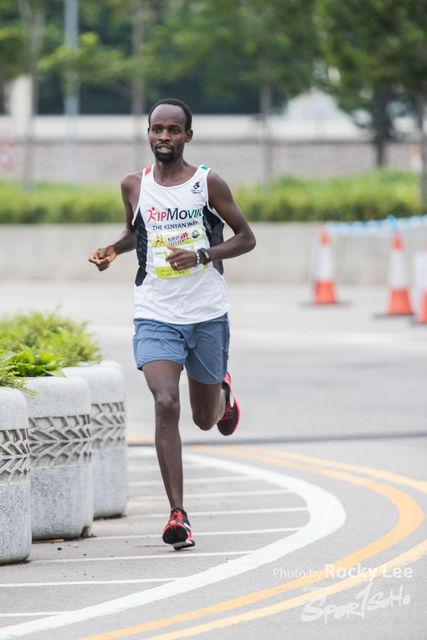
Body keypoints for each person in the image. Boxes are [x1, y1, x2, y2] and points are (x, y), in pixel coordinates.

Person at [89, 98, 256, 550]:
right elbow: (135, 232)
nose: (164, 136)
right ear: (148, 133)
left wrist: (202, 254)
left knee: (203, 420)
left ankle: (222, 395)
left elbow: (246, 238)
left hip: (206, 314)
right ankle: (178, 514)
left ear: (188, 136)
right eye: (157, 129)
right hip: (155, 312)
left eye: (173, 130)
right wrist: (112, 249)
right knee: (165, 401)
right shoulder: (133, 184)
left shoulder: (207, 183)